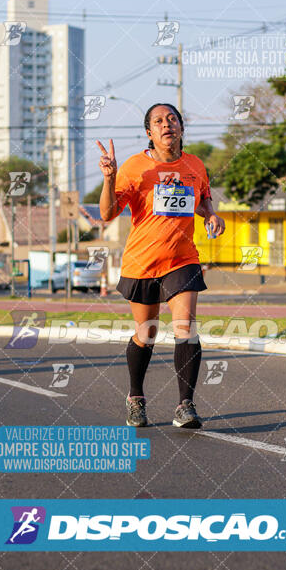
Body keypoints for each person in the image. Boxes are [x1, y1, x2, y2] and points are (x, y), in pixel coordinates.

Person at [97, 103, 225, 429]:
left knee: (185, 327)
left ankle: (185, 405)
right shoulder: (135, 167)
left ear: (181, 128)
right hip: (142, 261)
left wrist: (210, 213)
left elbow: (202, 197)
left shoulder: (195, 165)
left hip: (182, 258)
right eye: (158, 121)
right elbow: (108, 214)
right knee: (147, 333)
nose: (166, 124)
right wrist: (110, 179)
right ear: (149, 133)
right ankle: (135, 397)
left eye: (172, 119)